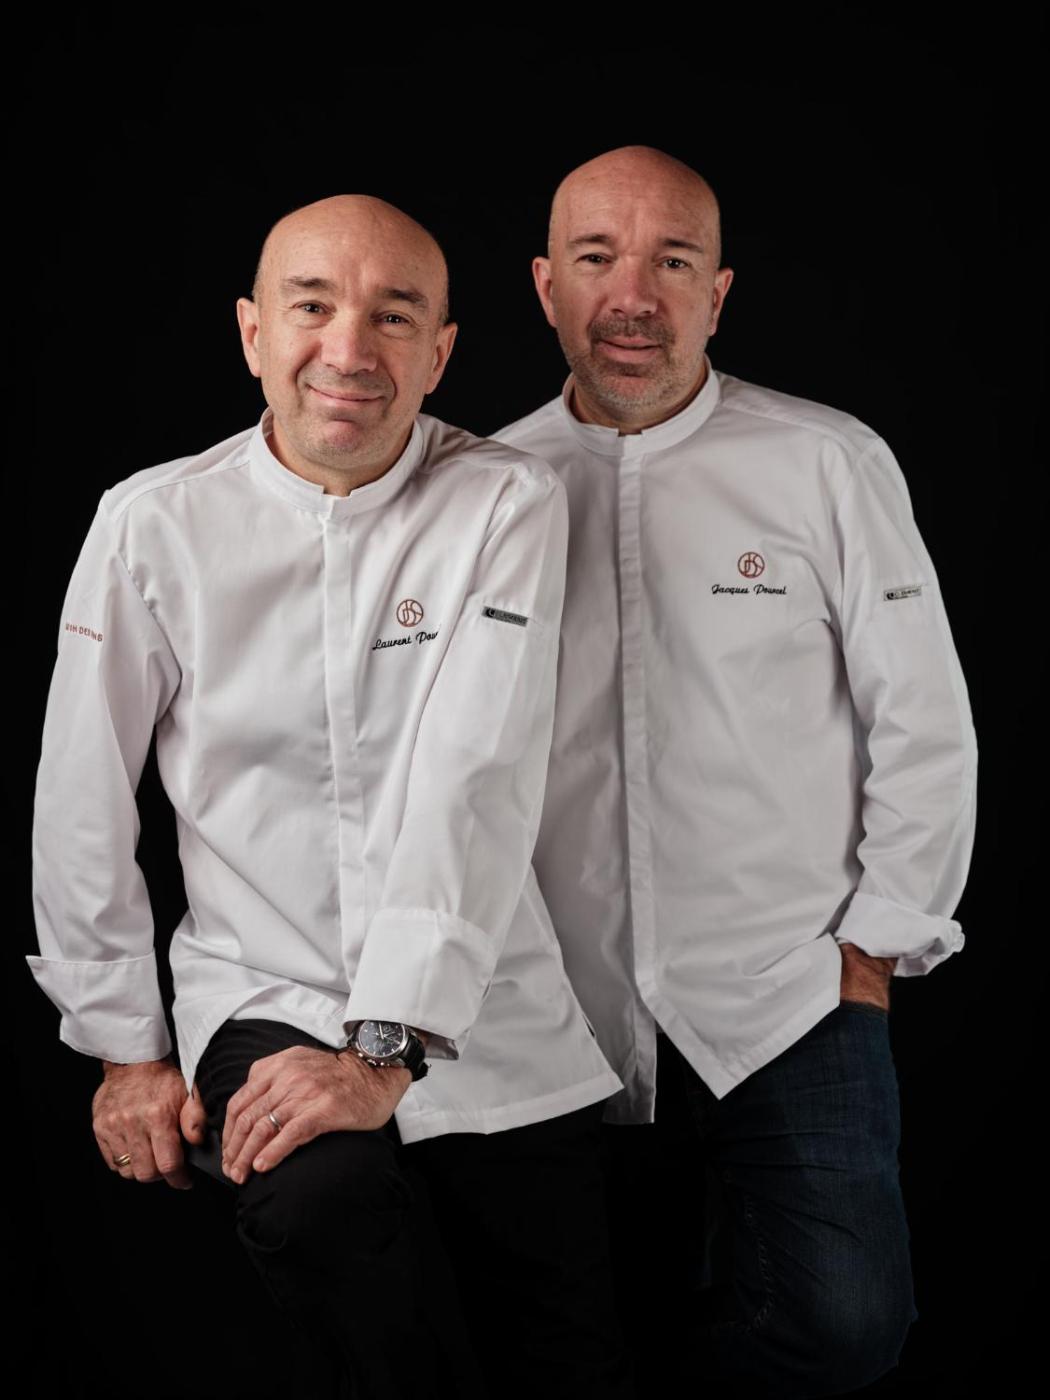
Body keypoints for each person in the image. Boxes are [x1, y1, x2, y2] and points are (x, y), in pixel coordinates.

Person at [29, 194, 627, 1400]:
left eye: (393, 316)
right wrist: (123, 1046)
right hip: (268, 983)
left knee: (575, 1359)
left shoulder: (506, 502)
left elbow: (477, 773)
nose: (348, 349)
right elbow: (82, 794)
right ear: (253, 333)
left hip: (490, 1000)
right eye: (312, 306)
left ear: (439, 352)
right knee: (322, 1212)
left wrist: (387, 1045)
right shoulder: (151, 523)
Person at [495, 146, 978, 1398]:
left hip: (789, 993)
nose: (633, 295)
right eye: (597, 258)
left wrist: (878, 943)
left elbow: (923, 719)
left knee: (847, 1319)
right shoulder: (488, 490)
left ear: (718, 293)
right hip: (564, 1014)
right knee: (592, 1335)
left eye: (673, 261)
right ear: (546, 287)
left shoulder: (827, 461)